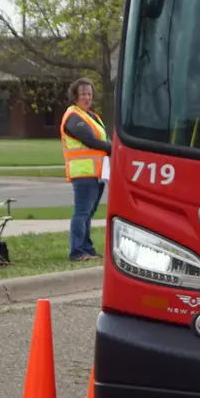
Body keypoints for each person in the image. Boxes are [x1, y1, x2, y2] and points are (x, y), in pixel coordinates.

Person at [60, 78, 111, 261]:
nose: (87, 97)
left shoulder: (92, 116)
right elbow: (88, 140)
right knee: (81, 212)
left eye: (89, 94)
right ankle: (77, 251)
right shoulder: (73, 116)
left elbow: (103, 139)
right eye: (83, 94)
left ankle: (87, 248)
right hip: (83, 173)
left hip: (97, 173)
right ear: (75, 96)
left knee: (88, 213)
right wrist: (112, 149)